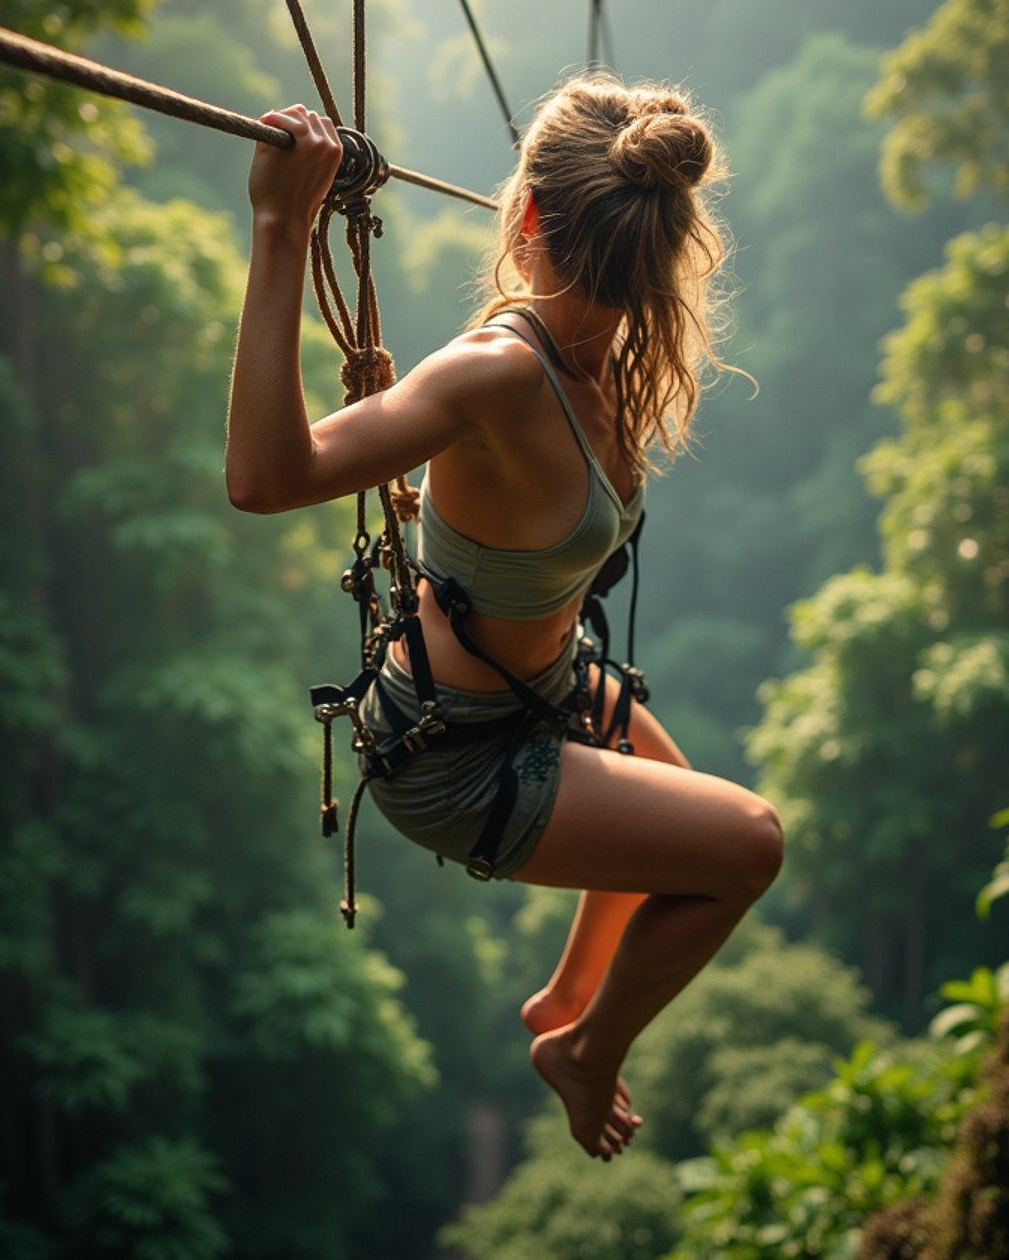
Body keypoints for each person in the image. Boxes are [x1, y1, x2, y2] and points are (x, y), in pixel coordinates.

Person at [226, 77, 784, 1161]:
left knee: (697, 835)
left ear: (526, 219)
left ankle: (564, 1014)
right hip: (458, 760)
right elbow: (264, 476)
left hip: (545, 690)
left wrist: (280, 214)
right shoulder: (498, 372)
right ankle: (581, 1050)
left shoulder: (601, 357)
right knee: (744, 846)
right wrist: (279, 228)